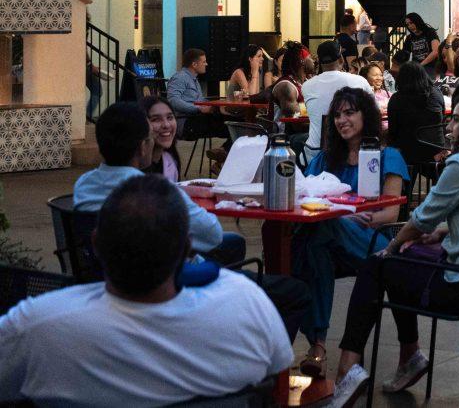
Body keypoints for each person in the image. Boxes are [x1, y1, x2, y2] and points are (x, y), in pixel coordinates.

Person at [0, 175, 294, 407]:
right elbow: (275, 366)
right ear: (189, 248)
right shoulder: (245, 302)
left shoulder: (38, 326)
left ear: (95, 244)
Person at [329, 91, 459, 401]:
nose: (450, 127)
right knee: (399, 260)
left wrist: (395, 243)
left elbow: (420, 219)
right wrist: (444, 232)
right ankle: (409, 356)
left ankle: (349, 368)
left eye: (455, 120)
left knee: (380, 262)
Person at [293, 87, 408, 377]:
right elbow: (305, 198)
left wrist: (347, 218)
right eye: (337, 115)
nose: (342, 120)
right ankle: (318, 345)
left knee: (318, 230)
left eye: (349, 113)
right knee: (315, 249)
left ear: (366, 115)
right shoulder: (324, 159)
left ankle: (302, 339)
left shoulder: (388, 155)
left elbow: (390, 214)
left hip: (372, 241)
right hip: (330, 241)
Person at [75, 102, 244, 264]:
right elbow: (213, 235)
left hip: (104, 274)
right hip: (164, 281)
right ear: (143, 147)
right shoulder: (158, 189)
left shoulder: (83, 185)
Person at [303, 40, 373, 160]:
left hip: (314, 152)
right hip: (350, 149)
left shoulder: (306, 86)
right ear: (341, 59)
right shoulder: (359, 81)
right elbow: (373, 111)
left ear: (319, 62)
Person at [387, 61, 447, 198]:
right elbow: (442, 121)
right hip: (434, 152)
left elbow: (393, 130)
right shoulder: (436, 94)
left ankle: (401, 204)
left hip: (407, 155)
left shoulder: (396, 99)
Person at [166, 48, 225, 146]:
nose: (206, 64)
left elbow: (199, 100)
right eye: (204, 62)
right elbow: (173, 101)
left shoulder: (193, 79)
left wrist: (216, 104)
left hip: (196, 119)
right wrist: (199, 109)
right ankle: (224, 152)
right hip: (186, 122)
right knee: (233, 126)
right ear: (194, 64)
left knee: (234, 123)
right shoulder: (180, 77)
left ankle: (223, 152)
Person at [139, 95, 181, 182]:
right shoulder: (133, 170)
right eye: (156, 119)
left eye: (169, 117)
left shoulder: (170, 160)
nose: (166, 125)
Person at [270, 42, 307, 130]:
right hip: (285, 137)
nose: (314, 60)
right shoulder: (286, 85)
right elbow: (295, 120)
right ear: (301, 61)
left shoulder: (303, 82)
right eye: (309, 57)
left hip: (303, 131)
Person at [402, 13, 441, 77]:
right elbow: (405, 54)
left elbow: (436, 51)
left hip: (431, 69)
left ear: (417, 21)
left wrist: (421, 65)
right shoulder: (409, 38)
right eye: (407, 24)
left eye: (411, 23)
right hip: (416, 70)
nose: (410, 26)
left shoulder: (429, 33)